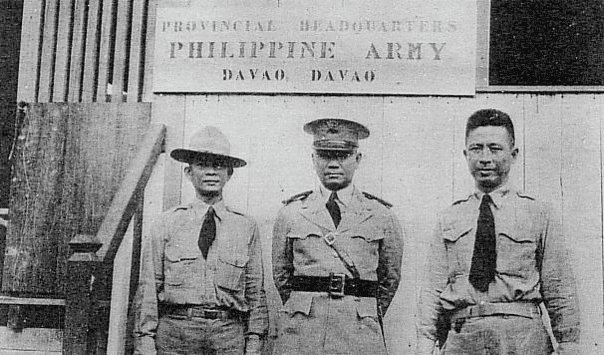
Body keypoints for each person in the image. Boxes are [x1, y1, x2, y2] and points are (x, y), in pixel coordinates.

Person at [416, 109, 580, 354]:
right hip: (464, 337)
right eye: (476, 148)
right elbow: (433, 288)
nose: (485, 158)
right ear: (465, 154)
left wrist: (569, 345)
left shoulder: (538, 214)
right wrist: (424, 344)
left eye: (494, 148)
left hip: (522, 338)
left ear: (513, 155)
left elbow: (559, 288)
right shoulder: (450, 217)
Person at [272, 118, 404, 355]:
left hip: (358, 332)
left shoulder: (381, 215)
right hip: (303, 332)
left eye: (342, 156)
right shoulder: (291, 213)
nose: (333, 164)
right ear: (313, 159)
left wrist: (363, 309)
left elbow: (389, 279)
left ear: (358, 159)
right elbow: (282, 276)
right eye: (324, 155)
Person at [133, 126, 268, 355]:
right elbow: (148, 287)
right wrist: (145, 341)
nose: (211, 172)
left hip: (227, 334)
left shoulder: (245, 226)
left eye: (218, 165)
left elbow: (256, 292)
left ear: (229, 173)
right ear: (188, 172)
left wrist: (255, 340)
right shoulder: (167, 223)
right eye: (202, 165)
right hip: (176, 333)